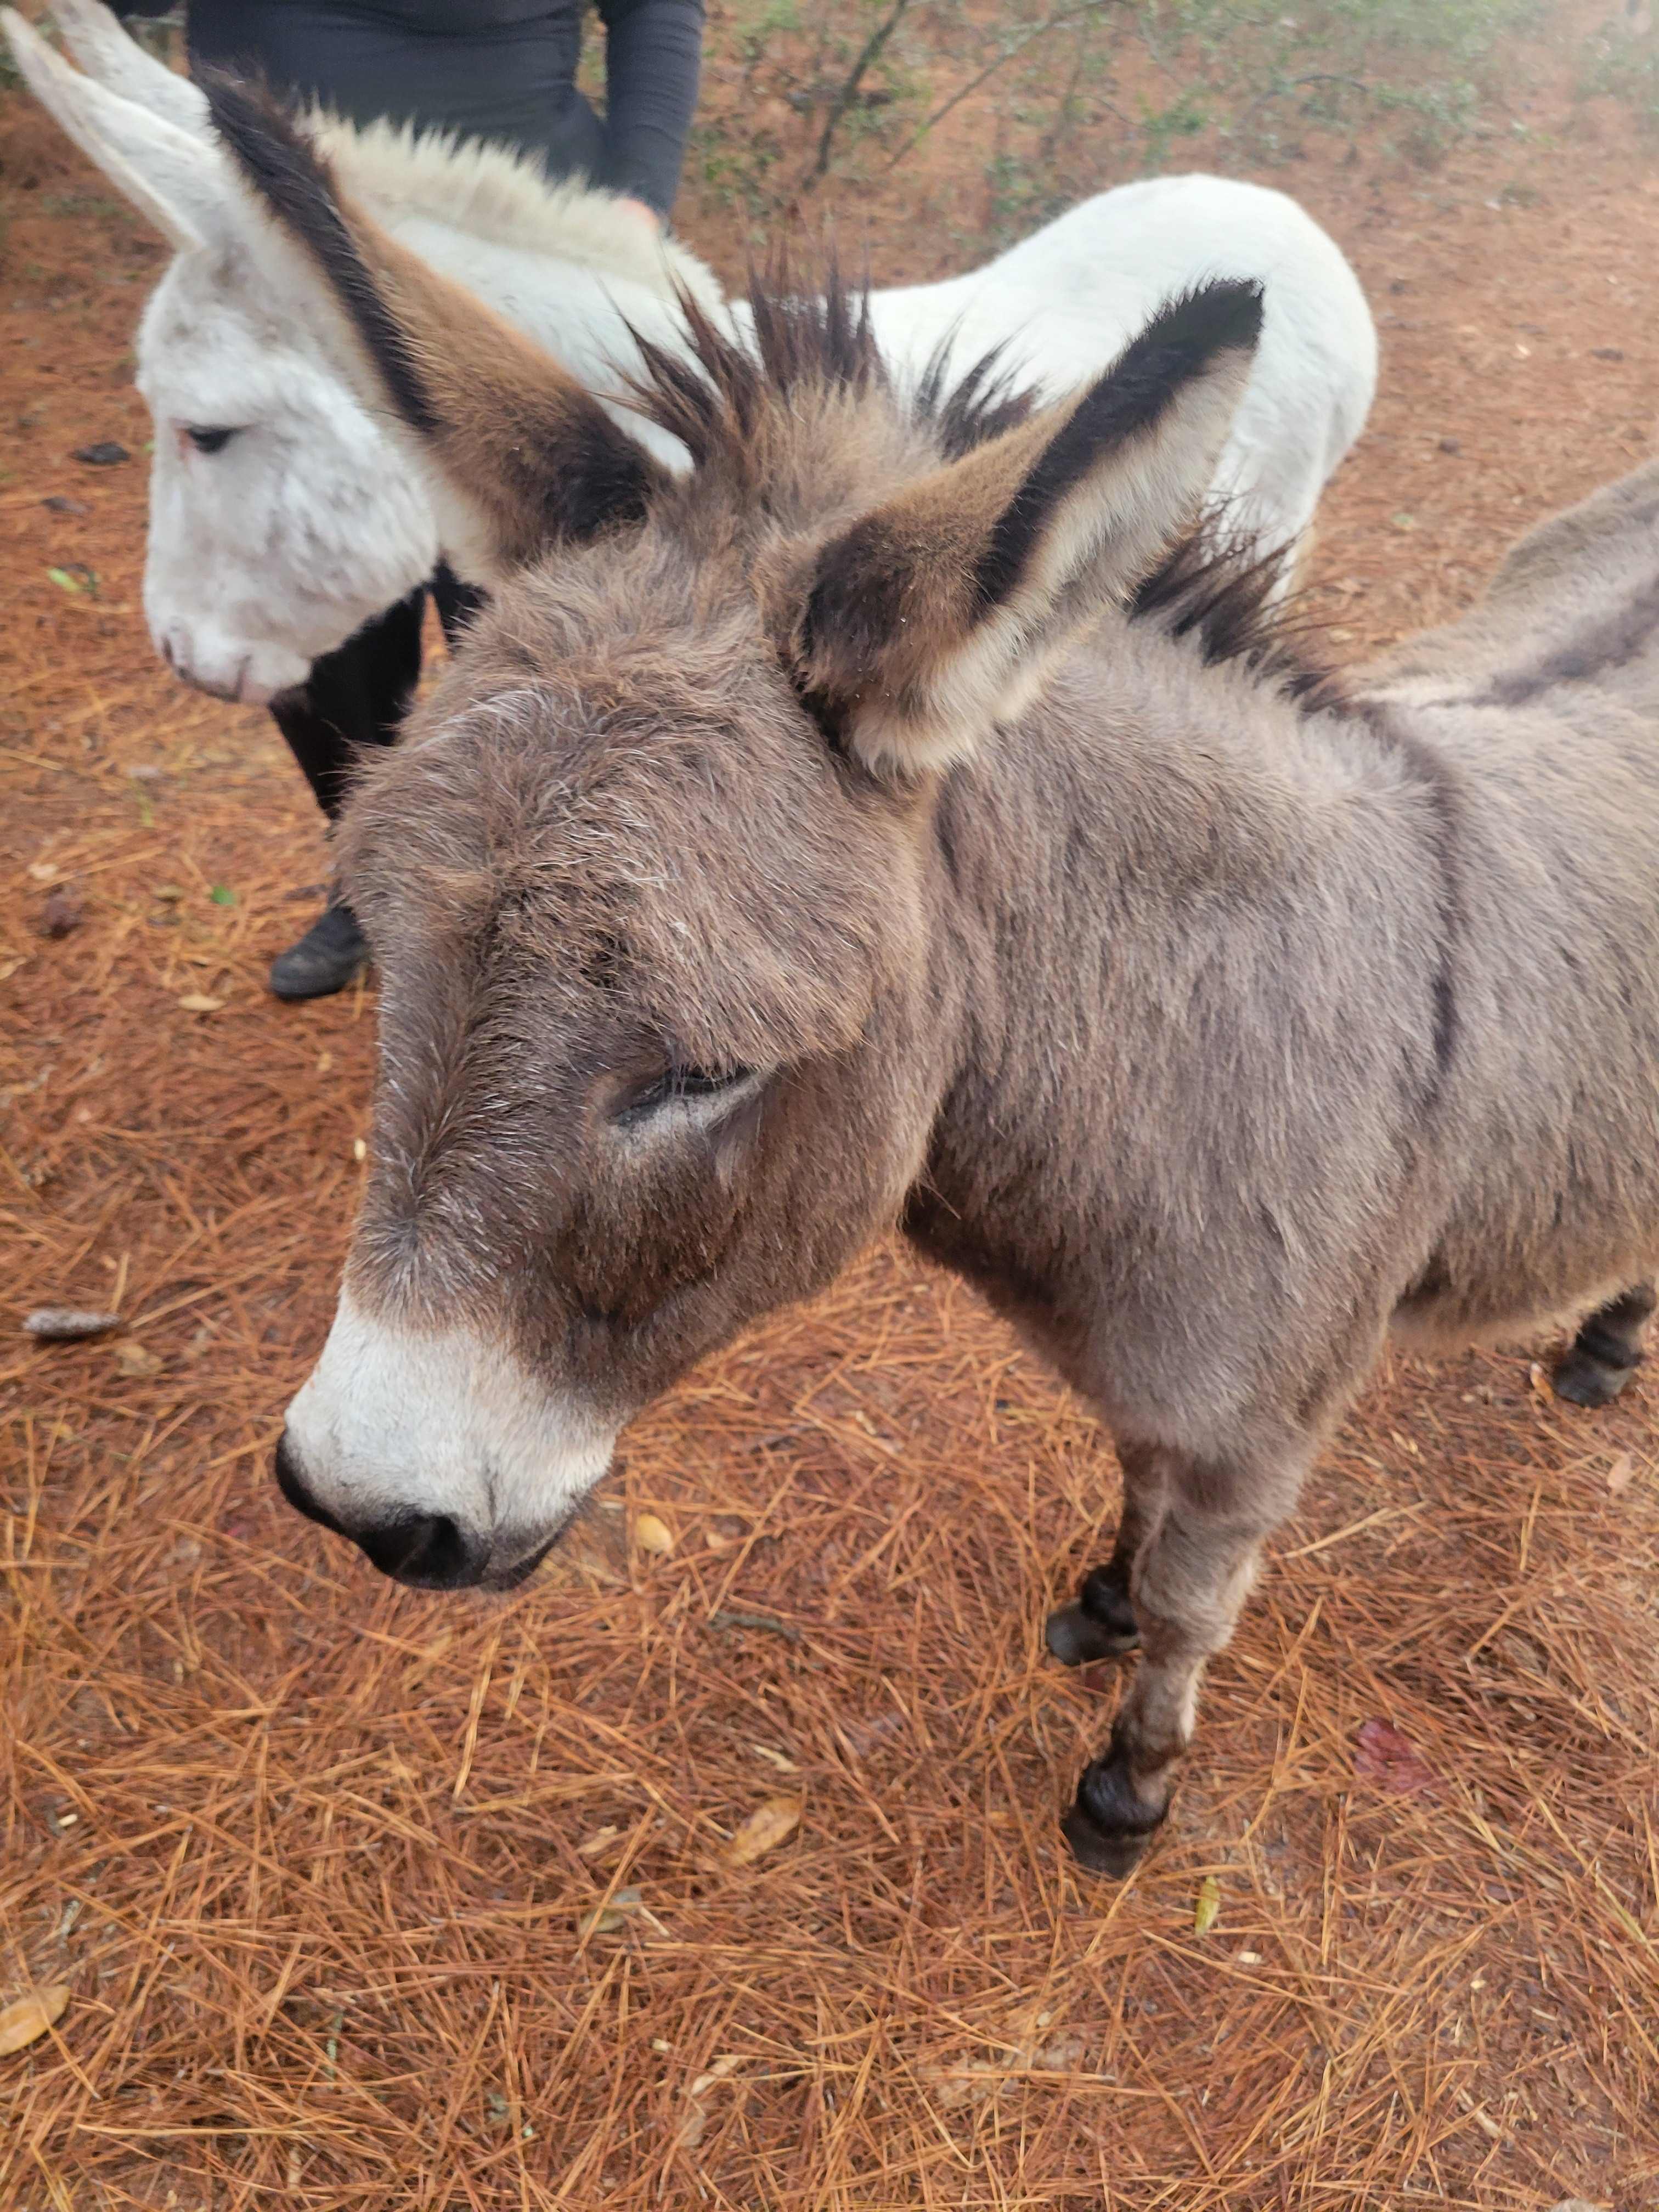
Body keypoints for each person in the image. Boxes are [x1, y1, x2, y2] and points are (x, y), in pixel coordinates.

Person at [115, 0, 706, 998]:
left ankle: (536, 901)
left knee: (538, 642)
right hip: (293, 283)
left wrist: (638, 201)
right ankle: (370, 876)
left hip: (514, 293)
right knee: (323, 641)